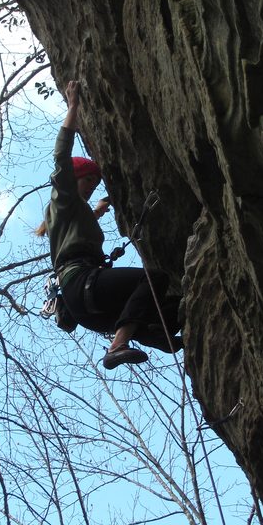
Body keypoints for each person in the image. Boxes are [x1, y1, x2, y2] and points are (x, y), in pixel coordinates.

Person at [39, 80, 182, 369]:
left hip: (87, 309)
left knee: (169, 306)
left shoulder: (73, 215)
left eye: (95, 183)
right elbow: (61, 157)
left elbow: (87, 221)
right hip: (81, 283)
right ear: (73, 178)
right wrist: (73, 107)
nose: (91, 187)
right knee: (153, 280)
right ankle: (119, 345)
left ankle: (157, 334)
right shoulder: (63, 197)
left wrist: (103, 205)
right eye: (87, 180)